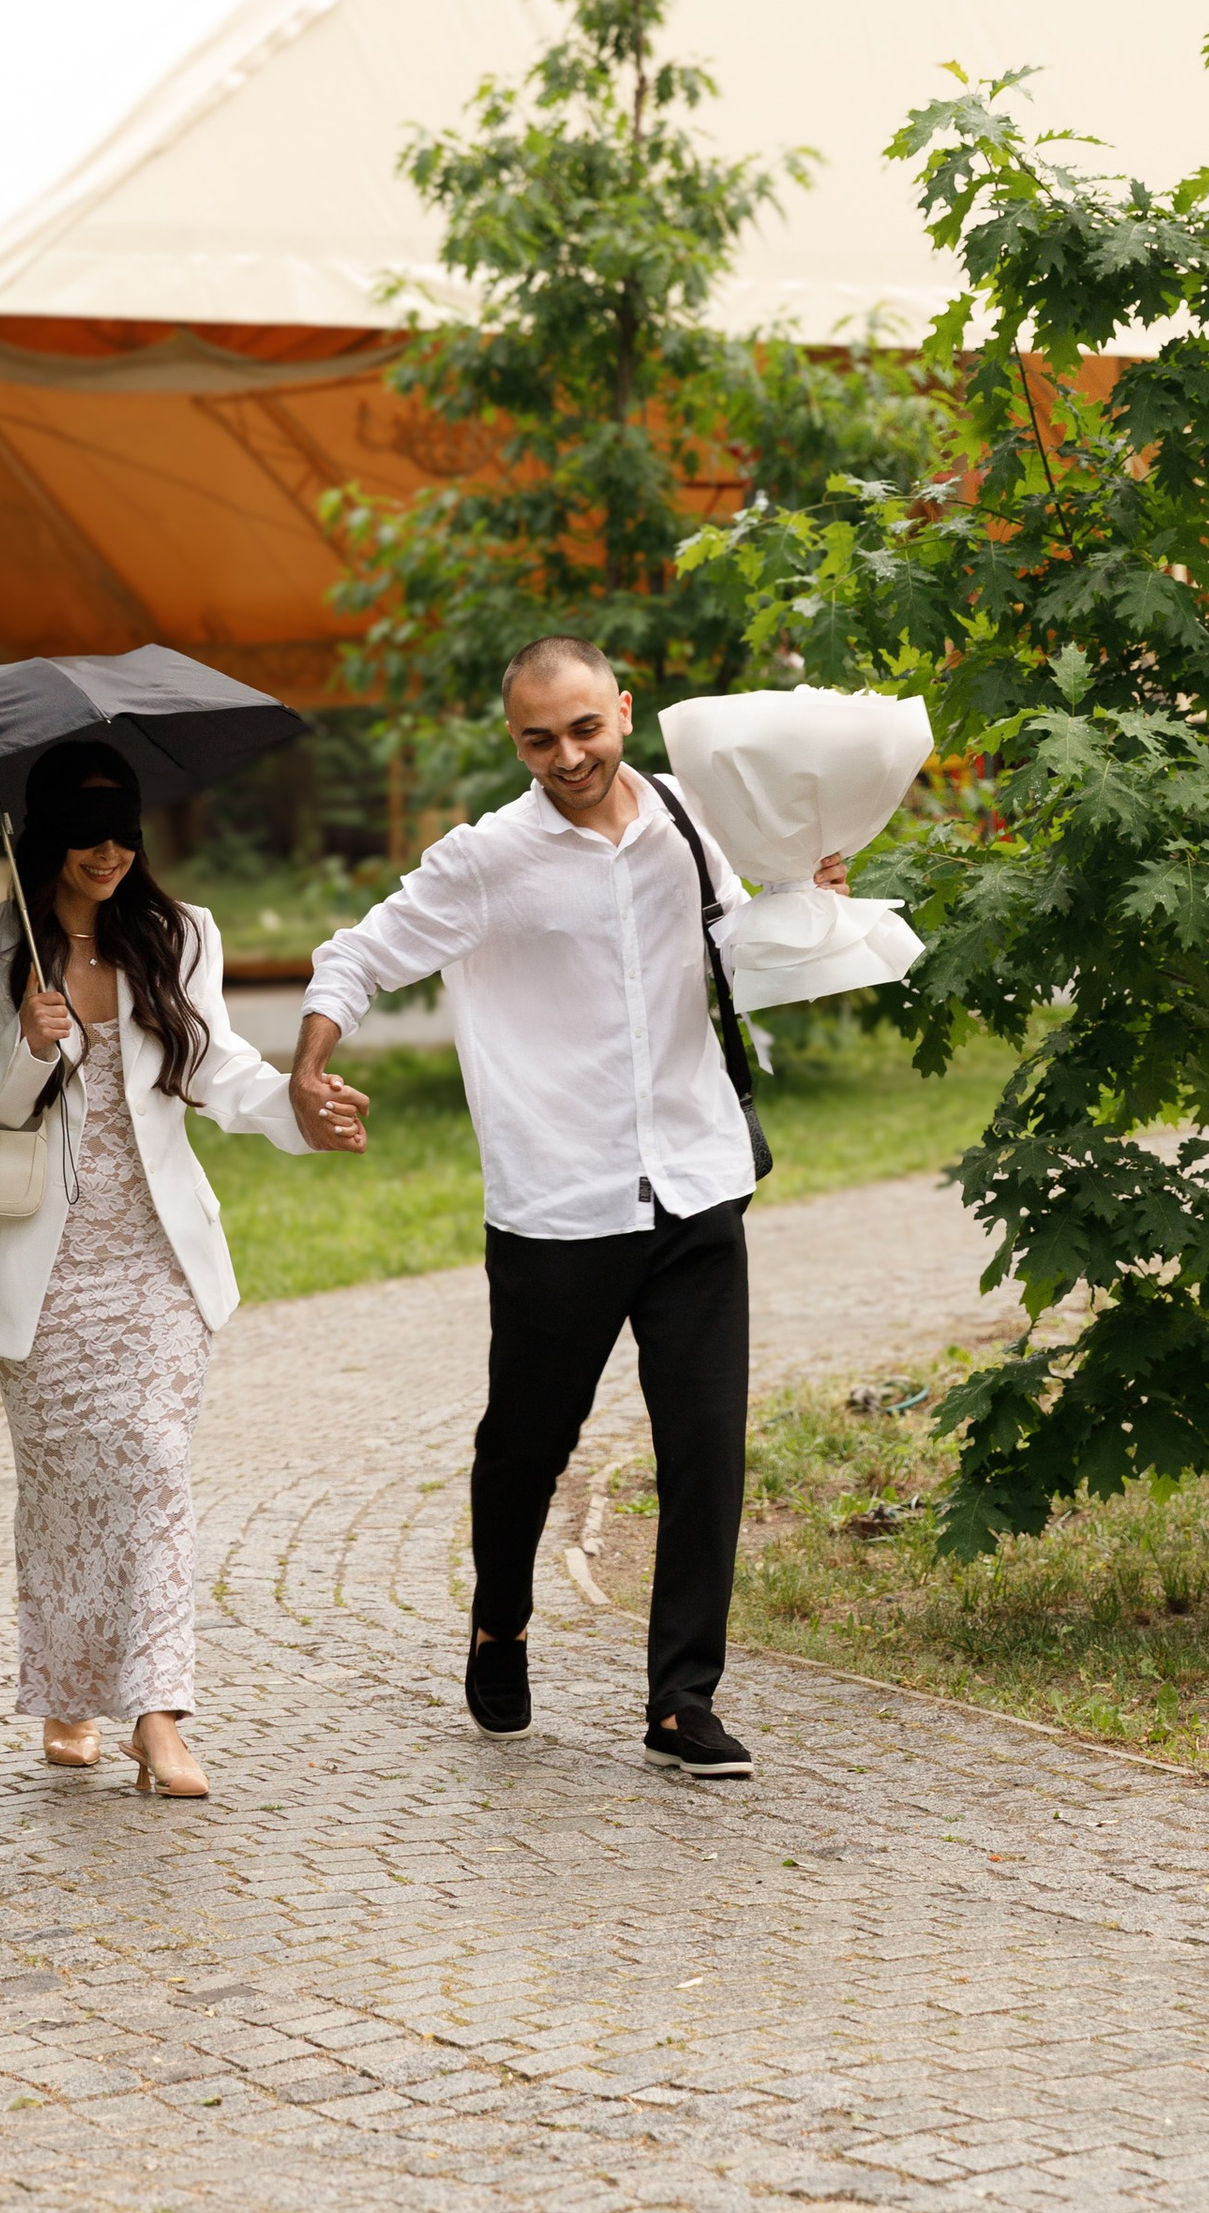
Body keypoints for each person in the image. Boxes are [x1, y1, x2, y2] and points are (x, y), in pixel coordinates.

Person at [290, 639, 845, 1780]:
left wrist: (803, 906)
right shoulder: (487, 858)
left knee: (706, 1451)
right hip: (560, 1201)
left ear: (624, 713)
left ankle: (681, 1701)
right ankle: (500, 1622)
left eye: (584, 729)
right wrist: (308, 1067)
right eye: (539, 739)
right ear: (516, 742)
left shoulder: (696, 819)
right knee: (527, 1446)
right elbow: (353, 957)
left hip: (695, 1181)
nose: (567, 756)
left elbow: (737, 945)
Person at [0, 741, 362, 1795]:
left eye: (124, 829)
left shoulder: (179, 934)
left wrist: (299, 1109)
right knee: (68, 1485)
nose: (111, 851)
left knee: (156, 1468)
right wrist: (24, 1047)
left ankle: (158, 1715)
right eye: (87, 833)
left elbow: (219, 1068)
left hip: (157, 1259)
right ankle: (69, 1692)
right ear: (44, 838)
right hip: (44, 1268)